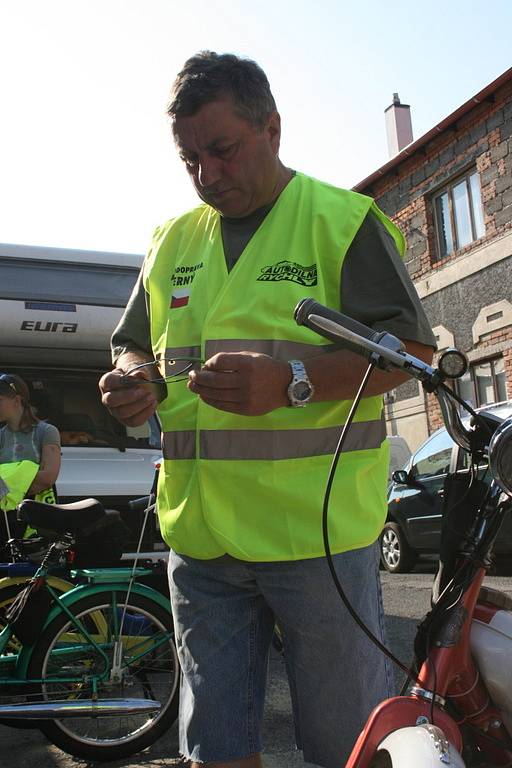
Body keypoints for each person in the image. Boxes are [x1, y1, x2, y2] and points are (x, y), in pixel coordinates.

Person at [99, 52, 436, 768]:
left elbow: (412, 352)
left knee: (344, 748)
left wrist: (294, 382)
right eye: (189, 158)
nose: (206, 175)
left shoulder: (343, 223)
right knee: (214, 750)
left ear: (272, 128)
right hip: (202, 541)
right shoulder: (170, 242)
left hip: (316, 542)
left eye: (221, 150)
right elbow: (133, 345)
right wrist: (137, 380)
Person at [0, 373, 61, 540]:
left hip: (37, 512)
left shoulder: (46, 431)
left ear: (17, 401)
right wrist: (28, 475)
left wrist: (9, 486)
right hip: (4, 517)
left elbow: (48, 477)